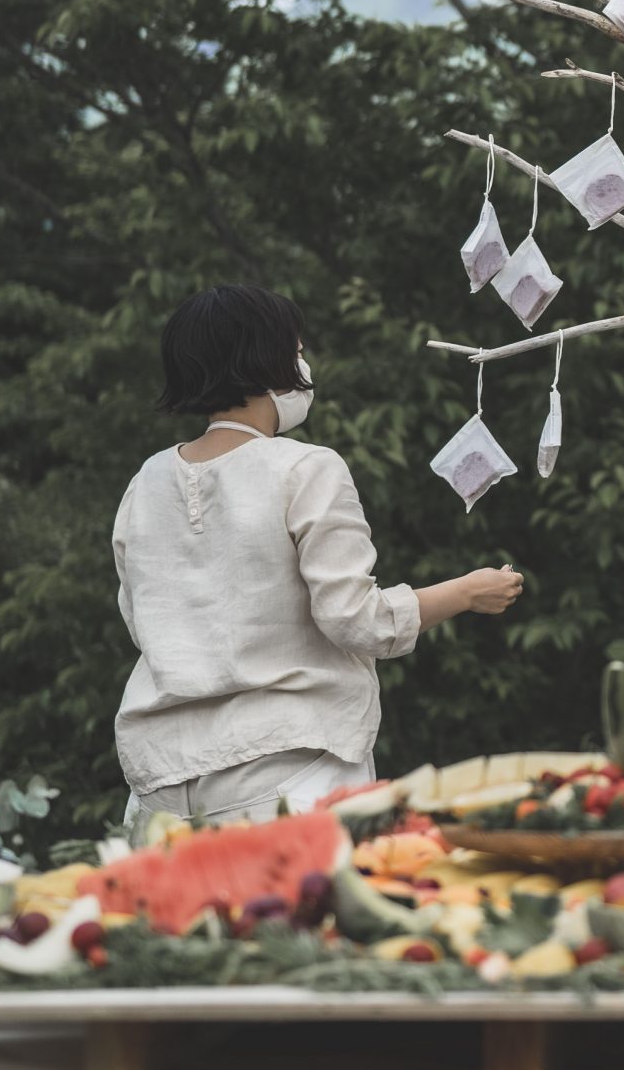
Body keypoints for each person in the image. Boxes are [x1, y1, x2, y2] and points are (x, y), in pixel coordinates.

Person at [115, 286, 523, 827]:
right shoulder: (306, 468)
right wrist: (468, 592)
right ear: (266, 360)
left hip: (160, 783)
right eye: (297, 351)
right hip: (289, 772)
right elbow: (357, 621)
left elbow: (143, 622)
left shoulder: (145, 482)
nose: (303, 366)